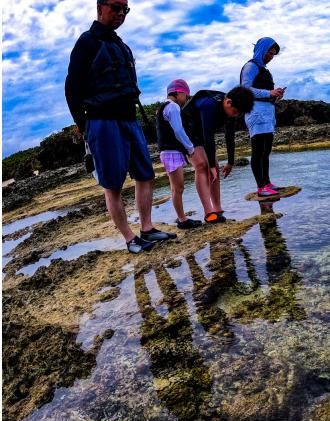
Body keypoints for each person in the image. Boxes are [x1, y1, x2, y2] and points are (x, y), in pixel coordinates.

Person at [65, 0, 175, 253]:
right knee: (113, 183)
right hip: (101, 122)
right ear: (100, 7)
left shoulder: (120, 45)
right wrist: (83, 125)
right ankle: (129, 238)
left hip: (129, 119)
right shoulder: (86, 43)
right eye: (115, 7)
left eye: (125, 9)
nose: (120, 14)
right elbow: (71, 88)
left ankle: (147, 228)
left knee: (145, 175)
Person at [180, 87, 255, 222]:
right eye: (236, 112)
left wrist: (230, 162)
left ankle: (217, 208)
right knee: (203, 165)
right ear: (228, 102)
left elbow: (229, 136)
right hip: (185, 130)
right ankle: (209, 212)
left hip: (201, 132)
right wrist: (212, 166)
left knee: (214, 167)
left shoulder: (232, 107)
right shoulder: (208, 104)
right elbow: (208, 136)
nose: (235, 115)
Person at [240, 37, 285, 198]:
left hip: (267, 113)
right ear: (261, 50)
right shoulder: (251, 66)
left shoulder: (265, 70)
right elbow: (245, 89)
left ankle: (267, 182)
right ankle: (261, 187)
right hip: (255, 113)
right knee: (258, 151)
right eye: (269, 53)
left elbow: (267, 94)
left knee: (266, 151)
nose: (270, 56)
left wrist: (275, 95)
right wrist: (268, 93)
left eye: (273, 54)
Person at [156, 79, 202, 229]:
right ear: (179, 92)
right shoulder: (173, 107)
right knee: (178, 188)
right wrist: (190, 148)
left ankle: (181, 217)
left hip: (168, 151)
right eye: (186, 96)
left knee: (177, 188)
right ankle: (182, 220)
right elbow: (178, 130)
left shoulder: (163, 107)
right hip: (171, 152)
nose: (186, 100)